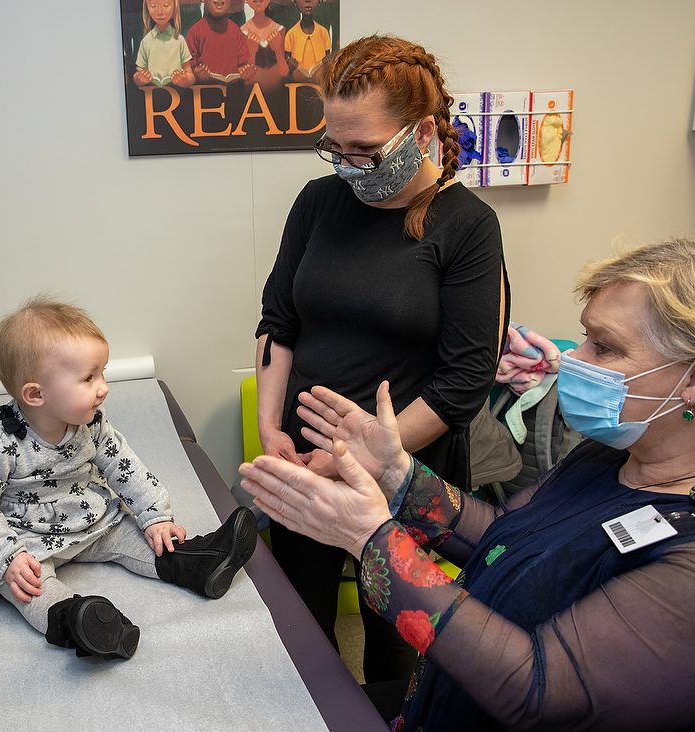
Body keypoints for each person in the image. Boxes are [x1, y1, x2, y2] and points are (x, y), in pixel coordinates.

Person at [241, 233, 695, 729]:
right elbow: (505, 538)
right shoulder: (613, 456)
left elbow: (538, 690)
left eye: (604, 348)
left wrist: (372, 541)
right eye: (585, 337)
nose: (572, 360)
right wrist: (396, 473)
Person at [254, 34, 508, 686]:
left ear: (422, 131)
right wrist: (272, 429)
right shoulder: (318, 202)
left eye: (364, 148)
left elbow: (463, 383)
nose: (347, 161)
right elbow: (277, 324)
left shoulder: (467, 226)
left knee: (393, 635)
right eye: (334, 145)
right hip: (304, 459)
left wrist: (363, 456)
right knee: (301, 620)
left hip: (402, 472)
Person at [0, 295, 257, 661]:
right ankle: (77, 622)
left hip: (80, 513)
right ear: (36, 394)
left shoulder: (92, 423)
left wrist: (155, 517)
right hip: (18, 533)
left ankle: (197, 564)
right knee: (28, 585)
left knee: (128, 534)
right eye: (89, 377)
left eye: (101, 372)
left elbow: (125, 466)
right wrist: (7, 557)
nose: (103, 387)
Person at [186, 0, 255, 83]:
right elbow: (189, 69)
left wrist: (245, 72)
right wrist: (197, 73)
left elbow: (242, 65)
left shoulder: (236, 31)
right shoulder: (195, 32)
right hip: (203, 91)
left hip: (232, 91)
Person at [133, 0, 195, 88]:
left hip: (178, 94)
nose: (160, 12)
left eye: (166, 5)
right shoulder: (146, 42)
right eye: (153, 6)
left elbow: (190, 76)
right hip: (151, 96)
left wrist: (184, 80)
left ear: (175, 6)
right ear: (147, 8)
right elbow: (137, 75)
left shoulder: (179, 40)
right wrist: (140, 79)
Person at [241, 0, 289, 93]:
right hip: (252, 94)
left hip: (276, 91)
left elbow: (284, 72)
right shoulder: (242, 31)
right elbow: (246, 76)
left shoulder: (279, 29)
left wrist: (277, 50)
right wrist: (252, 53)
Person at [283, 0, 330, 79]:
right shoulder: (291, 34)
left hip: (319, 81)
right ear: (294, 2)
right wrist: (290, 66)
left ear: (319, 2)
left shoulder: (323, 32)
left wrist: (328, 61)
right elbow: (286, 64)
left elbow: (328, 61)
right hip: (297, 82)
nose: (308, 1)